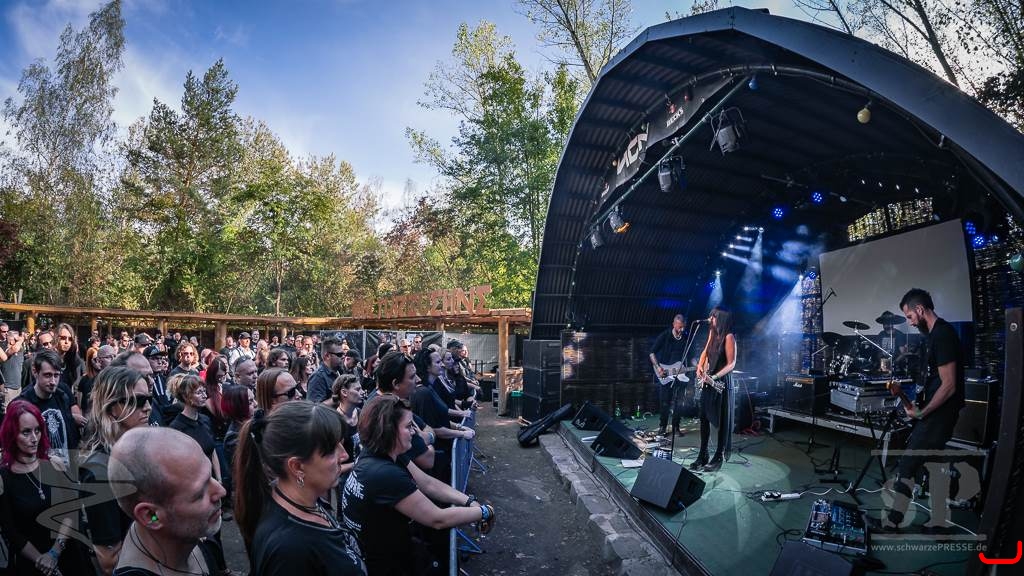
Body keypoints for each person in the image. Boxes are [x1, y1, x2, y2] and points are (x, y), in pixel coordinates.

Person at [341, 395, 495, 576]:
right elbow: (438, 519)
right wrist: (485, 512)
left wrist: (468, 501)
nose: (414, 432)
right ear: (389, 430)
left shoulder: (379, 453)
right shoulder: (384, 474)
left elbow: (427, 483)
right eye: (408, 426)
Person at [234, 402, 365, 575]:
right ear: (297, 467)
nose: (344, 455)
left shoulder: (303, 498)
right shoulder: (289, 552)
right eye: (331, 449)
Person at [871, 288, 963, 531]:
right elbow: (935, 383)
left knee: (908, 464)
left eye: (910, 316)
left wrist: (923, 412)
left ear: (920, 310)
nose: (910, 322)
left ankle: (892, 522)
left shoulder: (943, 334)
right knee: (932, 466)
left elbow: (949, 385)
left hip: (940, 415)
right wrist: (903, 395)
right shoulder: (933, 336)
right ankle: (939, 524)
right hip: (935, 412)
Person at [107, 427, 226, 576]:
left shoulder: (190, 535)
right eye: (200, 494)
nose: (221, 491)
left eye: (211, 476)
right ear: (151, 515)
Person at [79, 366, 153, 575]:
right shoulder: (101, 472)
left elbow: (150, 514)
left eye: (149, 399)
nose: (147, 407)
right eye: (138, 401)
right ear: (112, 408)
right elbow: (109, 561)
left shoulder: (135, 453)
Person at [0, 400, 87, 576]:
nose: (34, 438)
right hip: (31, 562)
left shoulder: (54, 464)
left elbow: (71, 511)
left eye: (38, 430)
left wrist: (54, 553)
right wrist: (42, 561)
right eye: (26, 432)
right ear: (12, 434)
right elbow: (11, 531)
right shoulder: (4, 477)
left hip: (68, 555)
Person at [691, 306, 737, 472]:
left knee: (722, 420)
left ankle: (718, 456)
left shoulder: (729, 337)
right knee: (704, 416)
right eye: (710, 316)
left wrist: (715, 377)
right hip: (708, 381)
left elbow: (731, 364)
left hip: (721, 382)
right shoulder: (712, 333)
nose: (711, 319)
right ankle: (703, 454)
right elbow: (705, 351)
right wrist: (700, 367)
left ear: (721, 318)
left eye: (714, 316)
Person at [19, 349, 80, 464]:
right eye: (47, 375)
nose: (53, 381)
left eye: (56, 375)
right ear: (35, 372)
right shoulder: (23, 404)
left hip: (68, 468)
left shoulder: (63, 395)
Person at [649, 314, 690, 436]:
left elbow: (692, 356)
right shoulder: (665, 335)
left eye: (683, 327)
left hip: (681, 374)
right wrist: (658, 368)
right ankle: (663, 427)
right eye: (680, 327)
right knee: (665, 402)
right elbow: (652, 352)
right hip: (666, 373)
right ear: (674, 324)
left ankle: (676, 427)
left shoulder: (686, 338)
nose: (682, 329)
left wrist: (697, 365)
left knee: (679, 402)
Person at [307, 337, 344, 404]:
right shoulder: (318, 377)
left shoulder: (340, 372)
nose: (343, 357)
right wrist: (338, 398)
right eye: (339, 355)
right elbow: (314, 407)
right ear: (327, 356)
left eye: (343, 354)